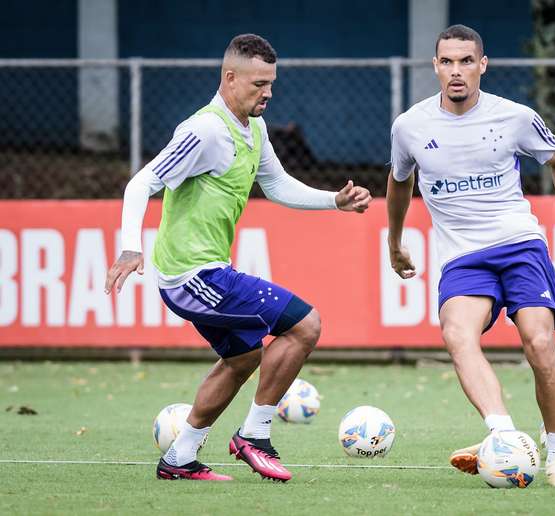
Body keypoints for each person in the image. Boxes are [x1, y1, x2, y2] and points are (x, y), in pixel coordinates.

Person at [104, 34, 371, 482]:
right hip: (191, 275)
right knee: (306, 324)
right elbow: (140, 184)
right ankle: (254, 436)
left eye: (271, 83)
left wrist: (334, 202)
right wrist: (131, 246)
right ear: (230, 78)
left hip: (207, 273)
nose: (267, 92)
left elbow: (279, 185)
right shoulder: (204, 130)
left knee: (244, 359)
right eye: (258, 83)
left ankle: (179, 459)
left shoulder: (255, 127)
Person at [386, 25, 555, 487]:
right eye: (447, 62)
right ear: (436, 66)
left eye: (466, 61)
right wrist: (394, 241)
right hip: (463, 257)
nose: (456, 71)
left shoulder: (515, 117)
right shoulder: (410, 126)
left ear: (482, 65)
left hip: (519, 244)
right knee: (457, 334)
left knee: (539, 344)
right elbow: (399, 181)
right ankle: (504, 437)